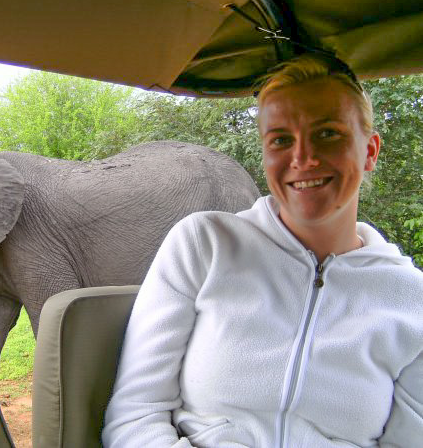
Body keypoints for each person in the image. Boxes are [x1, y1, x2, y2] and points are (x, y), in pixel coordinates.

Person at [102, 54, 423, 447]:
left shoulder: (412, 297)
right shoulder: (204, 245)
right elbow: (135, 414)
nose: (302, 158)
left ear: (370, 151)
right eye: (281, 140)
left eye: (327, 133)